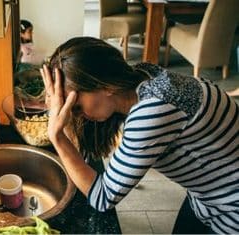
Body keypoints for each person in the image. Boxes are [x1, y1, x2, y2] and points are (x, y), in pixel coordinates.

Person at [39, 36, 239, 234]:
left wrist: (56, 135)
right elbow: (83, 156)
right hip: (206, 197)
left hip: (231, 209)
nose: (74, 114)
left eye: (76, 106)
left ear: (106, 86)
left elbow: (102, 197)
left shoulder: (152, 112)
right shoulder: (141, 76)